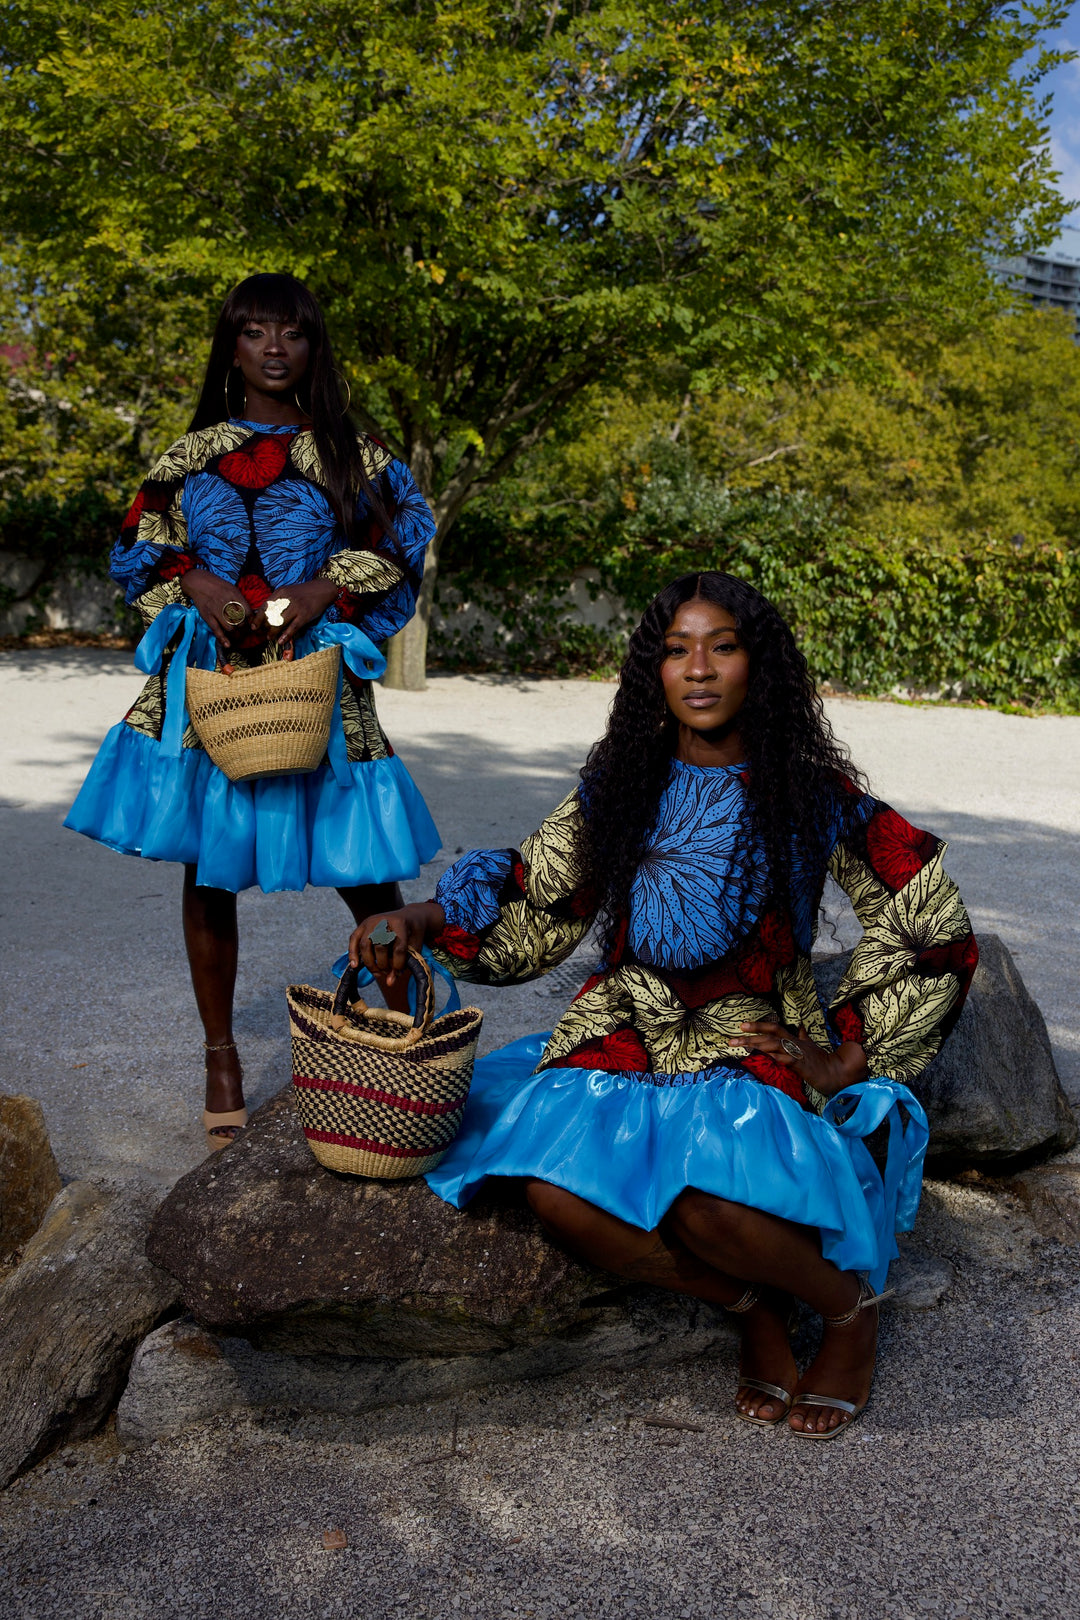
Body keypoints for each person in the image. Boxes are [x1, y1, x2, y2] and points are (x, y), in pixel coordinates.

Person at [349, 571, 977, 1439]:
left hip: (749, 1026)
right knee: (560, 1199)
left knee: (703, 1198)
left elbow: (928, 917)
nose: (700, 669)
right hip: (625, 1025)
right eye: (678, 650)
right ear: (655, 671)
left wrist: (849, 1055)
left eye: (722, 645)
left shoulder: (809, 793)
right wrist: (418, 917)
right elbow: (540, 898)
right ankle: (752, 1305)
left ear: (759, 665)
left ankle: (846, 1312)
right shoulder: (621, 784)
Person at [66, 272, 440, 1149]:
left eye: (293, 332)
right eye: (256, 330)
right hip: (214, 680)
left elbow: (403, 536)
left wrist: (323, 587)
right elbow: (136, 546)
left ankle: (407, 1033)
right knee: (207, 865)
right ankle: (221, 1056)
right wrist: (194, 580)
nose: (275, 347)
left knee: (363, 862)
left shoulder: (356, 452)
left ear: (313, 347)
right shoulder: (188, 453)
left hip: (314, 674)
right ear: (231, 346)